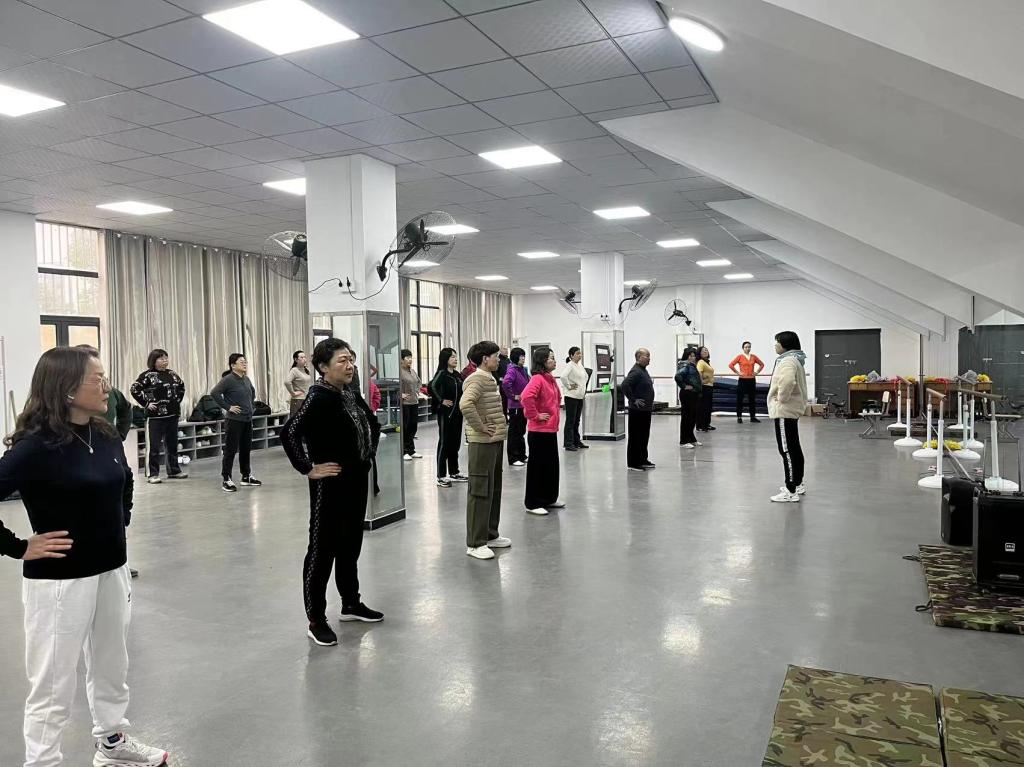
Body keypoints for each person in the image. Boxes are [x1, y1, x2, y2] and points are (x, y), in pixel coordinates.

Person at [0, 346, 168, 767]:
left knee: (112, 665)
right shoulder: (35, 446)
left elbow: (124, 480)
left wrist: (120, 521)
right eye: (98, 378)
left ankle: (112, 743)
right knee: (53, 683)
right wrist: (19, 546)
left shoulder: (104, 432)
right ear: (68, 388)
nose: (107, 386)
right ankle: (42, 762)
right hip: (60, 580)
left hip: (112, 570)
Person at [281, 337, 383, 647]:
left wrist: (366, 455)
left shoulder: (348, 392)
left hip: (356, 479)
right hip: (331, 485)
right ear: (323, 367)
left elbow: (372, 423)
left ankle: (351, 603)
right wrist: (308, 468)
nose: (350, 365)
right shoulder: (318, 396)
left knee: (350, 545)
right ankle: (316, 619)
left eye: (351, 359)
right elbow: (289, 433)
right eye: (342, 360)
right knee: (322, 549)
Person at [460, 341, 511, 560]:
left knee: (493, 488)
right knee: (480, 489)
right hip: (482, 441)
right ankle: (475, 542)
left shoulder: (489, 378)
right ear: (484, 359)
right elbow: (466, 404)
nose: (498, 360)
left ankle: (490, 534)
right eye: (495, 356)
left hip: (495, 440)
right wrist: (480, 426)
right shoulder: (477, 379)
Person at [130, 348, 186, 484]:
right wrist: (146, 403)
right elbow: (134, 389)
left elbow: (181, 387)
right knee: (153, 447)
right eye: (161, 358)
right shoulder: (147, 376)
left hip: (172, 415)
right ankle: (152, 474)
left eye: (166, 358)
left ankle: (174, 471)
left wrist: (176, 401)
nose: (165, 361)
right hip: (155, 417)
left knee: (172, 445)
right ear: (154, 361)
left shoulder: (172, 374)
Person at [520, 348, 564, 514]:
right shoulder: (538, 379)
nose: (554, 361)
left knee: (551, 466)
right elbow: (526, 397)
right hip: (539, 431)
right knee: (538, 467)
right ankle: (533, 503)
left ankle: (548, 498)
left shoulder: (549, 378)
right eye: (551, 358)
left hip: (550, 430)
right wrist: (535, 415)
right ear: (543, 361)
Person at [210, 353, 261, 493]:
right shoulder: (228, 379)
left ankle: (246, 476)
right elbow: (214, 393)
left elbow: (252, 392)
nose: (244, 364)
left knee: (245, 449)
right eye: (241, 362)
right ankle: (226, 478)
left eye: (245, 361)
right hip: (234, 420)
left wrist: (250, 406)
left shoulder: (246, 379)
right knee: (230, 450)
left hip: (247, 419)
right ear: (233, 365)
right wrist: (228, 407)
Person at [768, 331, 808, 503]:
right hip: (791, 410)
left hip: (784, 410)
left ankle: (791, 490)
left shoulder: (787, 361)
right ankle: (798, 483)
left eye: (777, 342)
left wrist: (781, 399)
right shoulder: (795, 359)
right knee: (794, 448)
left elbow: (787, 382)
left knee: (787, 450)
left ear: (785, 344)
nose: (775, 345)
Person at [429, 348, 468, 488]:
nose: (455, 359)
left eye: (456, 357)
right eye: (452, 357)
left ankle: (454, 472)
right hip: (446, 414)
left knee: (455, 443)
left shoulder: (457, 375)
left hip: (457, 413)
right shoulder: (442, 374)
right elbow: (431, 386)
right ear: (445, 359)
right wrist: (441, 400)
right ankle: (441, 476)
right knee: (444, 443)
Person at [621, 348, 656, 471]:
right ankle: (633, 463)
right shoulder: (636, 371)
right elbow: (625, 385)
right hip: (637, 411)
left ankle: (642, 459)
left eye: (649, 356)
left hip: (645, 410)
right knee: (636, 437)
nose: (649, 358)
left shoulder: (643, 370)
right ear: (639, 357)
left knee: (643, 436)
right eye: (647, 356)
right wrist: (633, 399)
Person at [502, 347, 530, 466]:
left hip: (522, 405)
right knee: (515, 432)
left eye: (524, 356)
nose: (523, 358)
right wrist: (513, 396)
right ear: (515, 357)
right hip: (515, 406)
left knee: (521, 431)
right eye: (521, 356)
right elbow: (505, 383)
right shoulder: (512, 370)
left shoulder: (522, 369)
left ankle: (521, 455)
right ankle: (513, 457)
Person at [729, 341, 764, 424]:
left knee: (752, 399)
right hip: (742, 380)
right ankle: (739, 417)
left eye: (749, 347)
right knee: (740, 399)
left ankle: (753, 417)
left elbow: (762, 364)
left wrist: (757, 372)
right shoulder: (740, 357)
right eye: (746, 347)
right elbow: (731, 365)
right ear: (743, 348)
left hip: (751, 380)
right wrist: (738, 373)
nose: (748, 348)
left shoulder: (753, 357)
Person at [561, 346, 588, 451]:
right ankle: (568, 443)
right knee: (570, 421)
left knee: (577, 420)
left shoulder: (579, 365)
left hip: (579, 396)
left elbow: (585, 377)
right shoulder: (570, 365)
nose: (580, 355)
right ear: (571, 356)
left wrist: (582, 387)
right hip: (571, 397)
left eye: (580, 353)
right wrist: (569, 386)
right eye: (577, 353)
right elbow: (563, 376)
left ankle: (576, 441)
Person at [675, 347, 702, 449]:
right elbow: (677, 376)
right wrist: (684, 386)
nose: (693, 357)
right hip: (687, 394)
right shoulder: (685, 365)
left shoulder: (691, 365)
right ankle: (683, 441)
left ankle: (691, 438)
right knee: (687, 417)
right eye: (691, 356)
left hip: (693, 394)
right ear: (687, 356)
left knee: (692, 417)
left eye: (694, 356)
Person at [399, 349, 423, 461]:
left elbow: (419, 382)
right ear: (401, 360)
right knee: (406, 427)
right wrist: (400, 394)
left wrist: (417, 391)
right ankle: (404, 451)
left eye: (410, 357)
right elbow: (395, 386)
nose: (410, 360)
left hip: (414, 402)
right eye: (407, 358)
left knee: (413, 426)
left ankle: (411, 450)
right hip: (405, 404)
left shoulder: (412, 371)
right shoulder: (399, 372)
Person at [285, 350, 312, 418]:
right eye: (301, 357)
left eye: (305, 357)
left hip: (306, 399)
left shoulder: (306, 370)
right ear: (296, 359)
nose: (304, 359)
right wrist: (293, 393)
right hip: (298, 400)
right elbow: (287, 382)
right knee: (296, 420)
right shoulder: (294, 370)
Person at [696, 346, 716, 432]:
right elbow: (699, 373)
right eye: (703, 351)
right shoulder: (701, 362)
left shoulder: (706, 362)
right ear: (699, 353)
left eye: (706, 350)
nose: (706, 351)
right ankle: (700, 425)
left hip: (709, 386)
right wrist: (703, 381)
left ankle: (706, 424)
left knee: (708, 407)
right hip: (704, 387)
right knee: (703, 407)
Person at [494, 344, 511, 416]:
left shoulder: (508, 360)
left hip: (509, 384)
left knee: (509, 401)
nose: (506, 350)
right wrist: (500, 379)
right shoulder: (498, 360)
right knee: (504, 402)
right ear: (500, 350)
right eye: (504, 349)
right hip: (501, 384)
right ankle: (504, 416)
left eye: (507, 349)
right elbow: (494, 372)